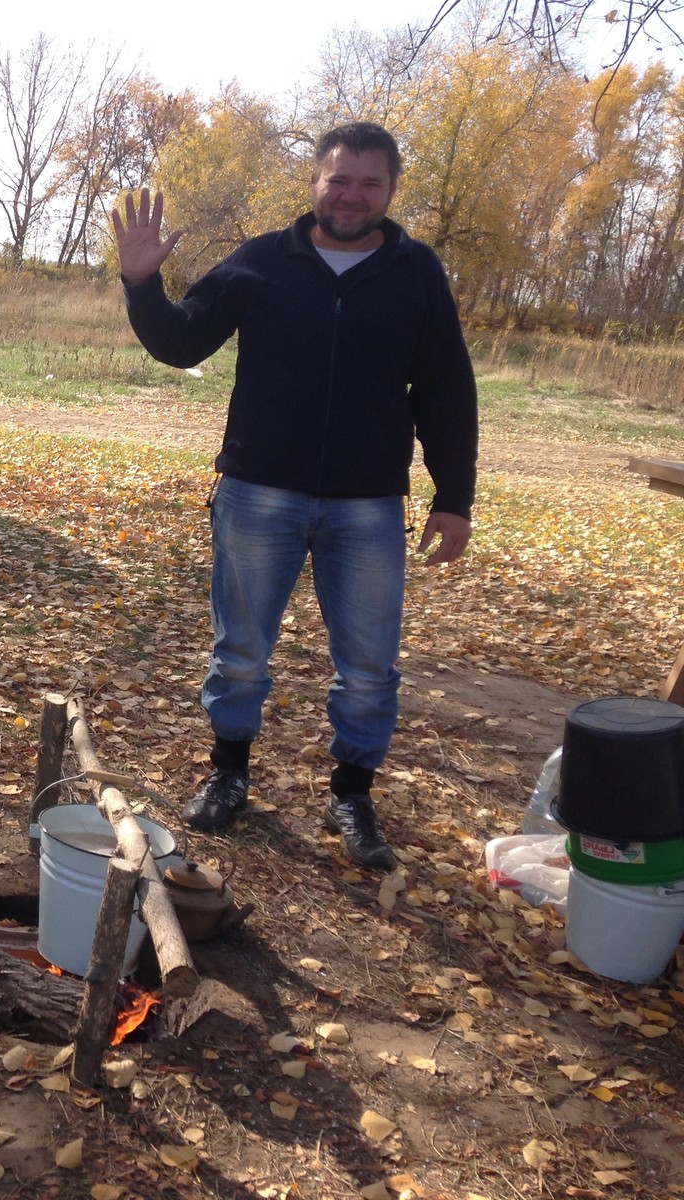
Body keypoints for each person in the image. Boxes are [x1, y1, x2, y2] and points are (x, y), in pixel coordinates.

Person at [110, 121, 477, 872]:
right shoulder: (261, 262)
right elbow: (181, 342)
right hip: (257, 494)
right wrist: (142, 284)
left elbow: (446, 390)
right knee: (240, 652)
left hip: (367, 504)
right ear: (314, 182)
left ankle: (353, 793)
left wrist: (455, 495)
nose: (351, 195)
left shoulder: (416, 273)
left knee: (370, 666)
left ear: (390, 191)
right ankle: (229, 772)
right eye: (338, 179)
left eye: (369, 183)